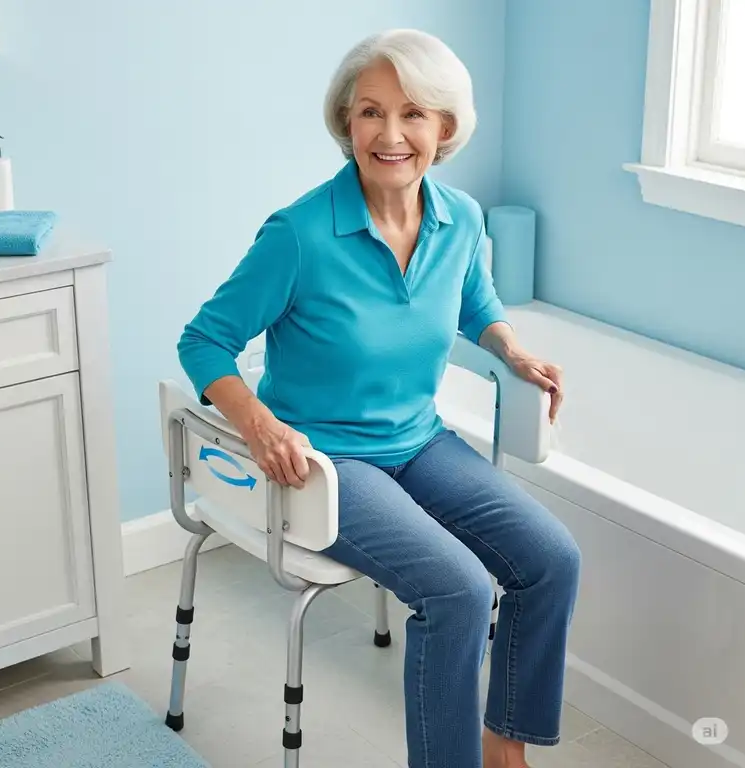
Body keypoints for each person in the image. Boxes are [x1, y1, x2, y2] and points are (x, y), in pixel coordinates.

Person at [177, 28, 581, 768]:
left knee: (552, 558)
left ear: (445, 127)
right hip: (327, 464)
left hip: (419, 442)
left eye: (413, 113)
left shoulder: (461, 219)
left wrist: (509, 347)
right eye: (371, 112)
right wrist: (261, 425)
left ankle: (505, 749)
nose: (390, 135)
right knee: (459, 590)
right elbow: (203, 341)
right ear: (347, 122)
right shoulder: (299, 234)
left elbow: (474, 300)